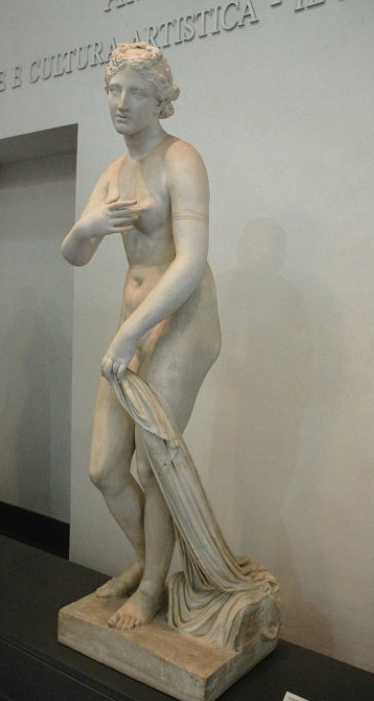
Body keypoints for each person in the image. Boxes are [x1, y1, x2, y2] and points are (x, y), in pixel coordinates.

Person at [61, 43, 221, 631]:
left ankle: (153, 585)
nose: (121, 103)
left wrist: (129, 335)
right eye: (114, 90)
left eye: (135, 92)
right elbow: (75, 254)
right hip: (133, 321)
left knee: (155, 465)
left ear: (160, 100)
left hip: (182, 319)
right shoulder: (114, 172)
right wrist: (87, 226)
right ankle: (145, 560)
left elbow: (191, 261)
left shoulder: (182, 159)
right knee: (105, 468)